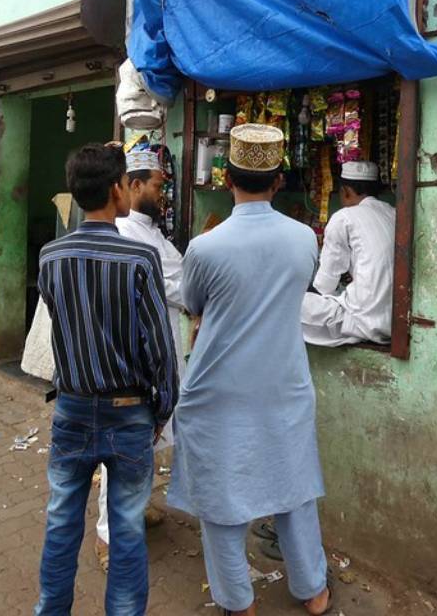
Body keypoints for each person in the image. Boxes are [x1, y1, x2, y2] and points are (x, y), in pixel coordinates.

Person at [168, 124, 332, 616]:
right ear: (279, 181)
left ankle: (238, 602)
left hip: (218, 386)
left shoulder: (207, 247)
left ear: (227, 178)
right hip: (284, 383)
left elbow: (193, 304)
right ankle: (314, 592)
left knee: (220, 499)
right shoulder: (303, 238)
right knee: (295, 487)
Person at [35, 143, 179, 616]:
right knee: (126, 528)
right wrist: (162, 409)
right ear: (118, 190)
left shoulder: (51, 257)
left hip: (73, 408)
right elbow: (161, 348)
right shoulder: (140, 259)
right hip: (129, 413)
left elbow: (64, 327)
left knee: (61, 522)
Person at [94, 147, 185, 569]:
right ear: (132, 185)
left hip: (158, 358)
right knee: (122, 450)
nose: (162, 192)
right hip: (135, 361)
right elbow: (176, 286)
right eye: (157, 184)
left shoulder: (153, 232)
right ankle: (109, 536)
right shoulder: (126, 233)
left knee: (142, 446)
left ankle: (135, 509)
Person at [301, 161, 395, 347]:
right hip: (393, 321)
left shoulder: (344, 217)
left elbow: (325, 284)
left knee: (285, 304)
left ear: (345, 191)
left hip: (363, 321)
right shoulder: (393, 213)